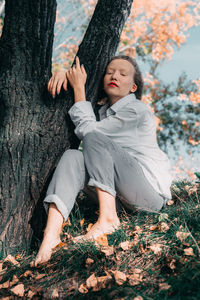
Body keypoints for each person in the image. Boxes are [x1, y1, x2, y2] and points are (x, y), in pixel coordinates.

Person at [31, 55, 172, 266]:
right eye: (110, 72)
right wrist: (64, 75)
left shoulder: (137, 111)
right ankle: (50, 236)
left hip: (148, 195)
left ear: (133, 87)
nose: (114, 75)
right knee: (72, 156)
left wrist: (78, 88)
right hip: (122, 197)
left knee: (94, 138)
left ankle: (107, 220)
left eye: (123, 74)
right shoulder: (104, 113)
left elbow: (89, 131)